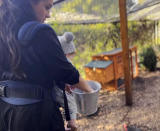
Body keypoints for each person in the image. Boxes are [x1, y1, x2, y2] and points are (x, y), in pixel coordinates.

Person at [0, 0, 92, 131]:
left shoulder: (4, 32)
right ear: (30, 3)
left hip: (5, 112)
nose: (48, 15)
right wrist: (90, 90)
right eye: (47, 7)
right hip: (35, 115)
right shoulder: (40, 32)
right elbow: (67, 73)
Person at [54, 32, 83, 130]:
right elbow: (72, 76)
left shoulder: (52, 58)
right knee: (71, 102)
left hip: (55, 88)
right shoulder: (63, 62)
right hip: (57, 90)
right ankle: (71, 123)